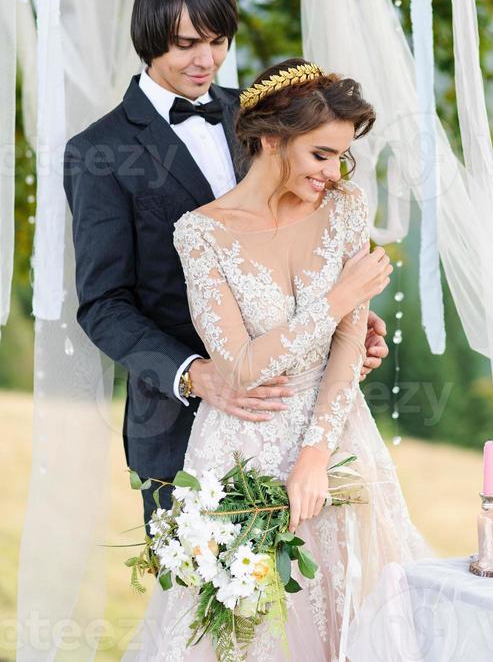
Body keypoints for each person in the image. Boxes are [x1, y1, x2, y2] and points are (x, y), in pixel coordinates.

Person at [63, 0, 389, 525]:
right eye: (188, 43)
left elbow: (304, 245)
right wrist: (194, 372)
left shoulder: (270, 116)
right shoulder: (99, 151)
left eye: (217, 41)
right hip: (179, 425)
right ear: (149, 37)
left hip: (302, 414)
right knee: (211, 609)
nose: (205, 59)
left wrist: (347, 321)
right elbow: (104, 304)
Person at [123, 59, 430, 660]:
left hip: (337, 437)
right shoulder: (201, 234)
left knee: (356, 619)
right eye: (320, 155)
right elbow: (238, 365)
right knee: (244, 629)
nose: (333, 172)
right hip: (242, 444)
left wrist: (316, 455)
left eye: (342, 156)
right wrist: (339, 298)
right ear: (270, 138)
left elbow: (348, 342)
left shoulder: (344, 207)